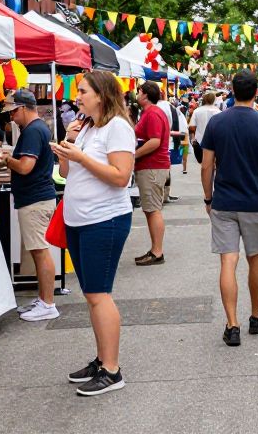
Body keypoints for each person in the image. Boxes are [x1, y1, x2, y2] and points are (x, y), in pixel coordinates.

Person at [52, 71, 134, 396]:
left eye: (83, 91)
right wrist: (68, 146)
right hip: (79, 220)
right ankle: (102, 360)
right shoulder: (86, 126)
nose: (78, 97)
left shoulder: (117, 128)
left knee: (100, 294)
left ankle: (112, 370)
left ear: (101, 95)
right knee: (91, 296)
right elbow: (64, 174)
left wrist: (80, 155)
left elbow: (121, 177)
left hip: (105, 220)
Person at [199, 70, 258, 347]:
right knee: (256, 259)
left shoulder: (217, 123)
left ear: (232, 91)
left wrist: (208, 198)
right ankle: (256, 317)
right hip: (254, 201)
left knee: (228, 261)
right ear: (256, 91)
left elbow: (206, 165)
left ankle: (232, 324)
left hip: (224, 201)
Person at [0, 90, 59, 323]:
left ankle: (47, 303)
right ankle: (44, 299)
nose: (11, 116)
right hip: (35, 197)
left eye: (13, 111)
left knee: (40, 251)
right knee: (38, 250)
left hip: (35, 199)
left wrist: (6, 159)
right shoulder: (37, 128)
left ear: (23, 108)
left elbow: (24, 167)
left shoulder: (32, 131)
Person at [134, 82, 170, 266]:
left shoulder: (153, 113)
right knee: (150, 209)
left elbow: (155, 141)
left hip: (152, 166)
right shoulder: (151, 112)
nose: (137, 94)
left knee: (153, 209)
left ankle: (157, 251)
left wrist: (134, 155)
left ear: (146, 95)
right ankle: (155, 249)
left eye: (138, 91)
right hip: (150, 166)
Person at [189, 91, 220, 165]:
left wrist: (193, 140)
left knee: (204, 164)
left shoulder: (197, 111)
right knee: (213, 164)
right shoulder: (219, 111)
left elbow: (192, 127)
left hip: (200, 141)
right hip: (215, 141)